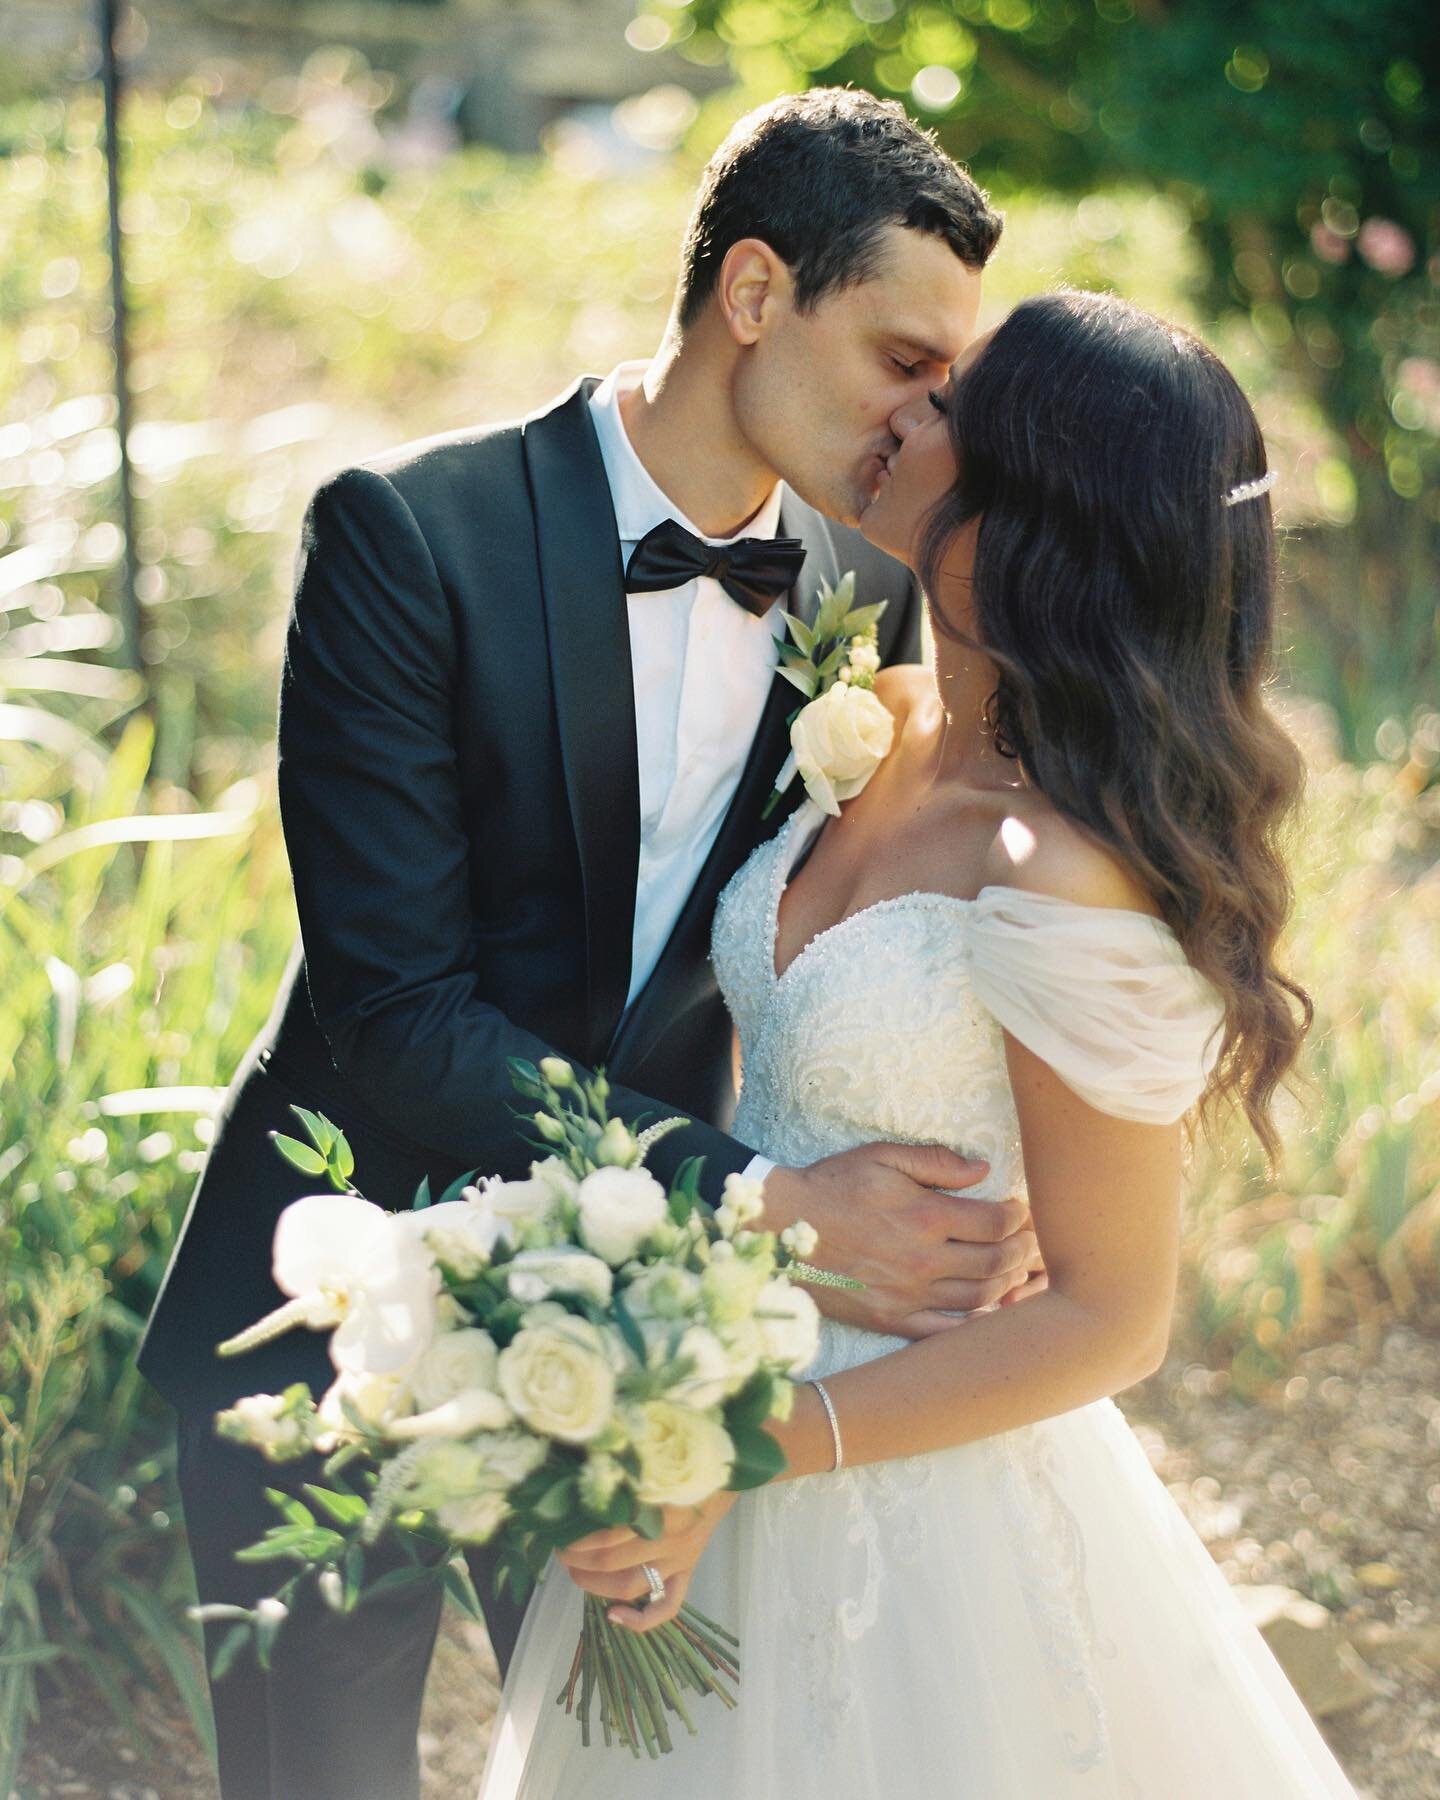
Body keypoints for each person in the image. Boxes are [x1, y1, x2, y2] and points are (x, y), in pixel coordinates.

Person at [134, 90, 1040, 1800]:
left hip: (649, 1330)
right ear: (756, 292)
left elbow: (894, 917)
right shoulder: (410, 537)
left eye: (953, 382)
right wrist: (756, 1201)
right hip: (342, 1282)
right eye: (905, 361)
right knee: (313, 1775)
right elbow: (398, 1013)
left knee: (644, 1762)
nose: (936, 421)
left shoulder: (867, 583)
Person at [477, 291, 1358, 1797]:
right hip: (724, 1361)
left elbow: (1111, 1318)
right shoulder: (868, 715)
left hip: (904, 1473)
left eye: (951, 404)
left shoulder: (1062, 871)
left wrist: (750, 1443)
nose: (903, 411)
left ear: (1033, 504)